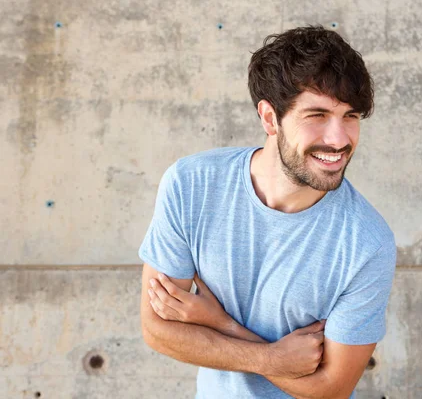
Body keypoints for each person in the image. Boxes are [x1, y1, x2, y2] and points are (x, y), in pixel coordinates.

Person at [138, 25, 397, 399]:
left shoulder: (367, 243)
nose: (339, 139)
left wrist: (219, 323)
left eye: (350, 116)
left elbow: (330, 389)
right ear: (270, 118)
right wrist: (274, 359)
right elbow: (157, 330)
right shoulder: (192, 186)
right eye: (317, 115)